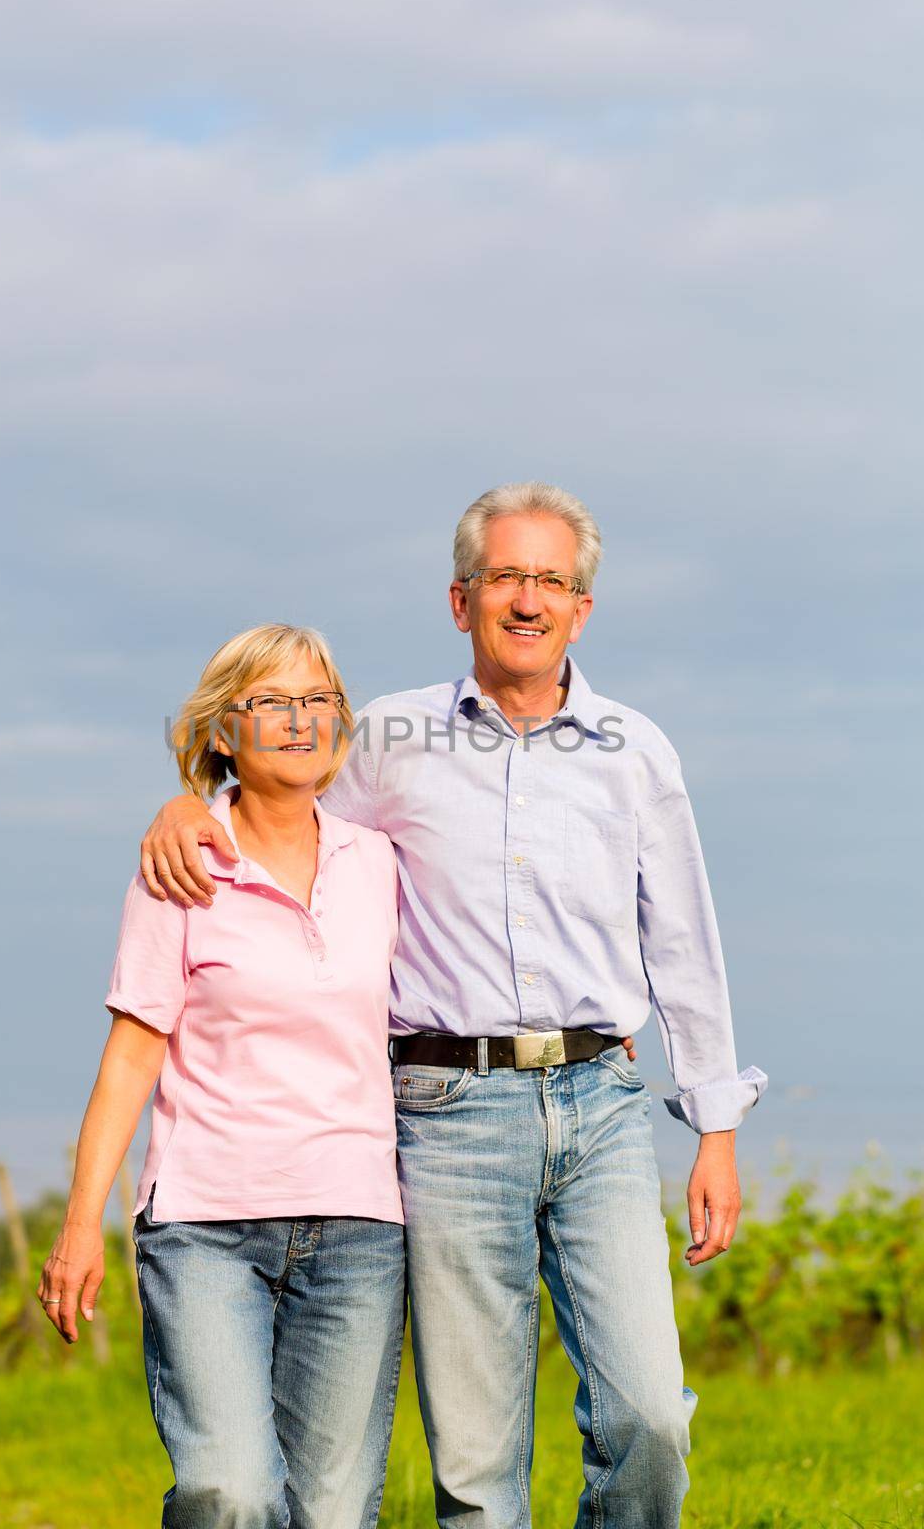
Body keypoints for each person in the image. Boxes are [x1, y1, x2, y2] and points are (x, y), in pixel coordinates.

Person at [142, 481, 769, 1529]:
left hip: (601, 1101)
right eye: (505, 577)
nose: (527, 599)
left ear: (580, 608)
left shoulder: (635, 751)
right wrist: (190, 801)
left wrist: (713, 1128)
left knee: (650, 1417)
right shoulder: (386, 739)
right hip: (443, 1110)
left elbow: (683, 943)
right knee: (477, 1471)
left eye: (551, 581)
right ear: (459, 599)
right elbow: (276, 807)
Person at [37, 623, 409, 1529]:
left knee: (333, 1510)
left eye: (317, 700)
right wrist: (81, 1224)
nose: (298, 720)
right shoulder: (182, 867)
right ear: (220, 731)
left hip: (358, 1225)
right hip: (205, 1225)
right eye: (270, 702)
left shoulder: (383, 863)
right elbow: (132, 1052)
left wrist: (595, 1017)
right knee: (229, 1492)